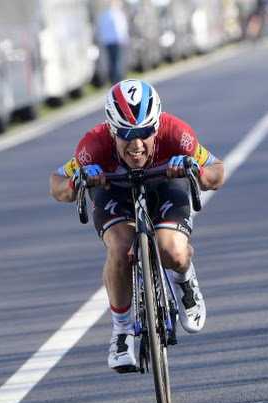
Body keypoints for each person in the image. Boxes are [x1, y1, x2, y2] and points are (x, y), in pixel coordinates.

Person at [49, 79, 225, 372]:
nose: (137, 144)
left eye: (145, 133)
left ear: (157, 125)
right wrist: (77, 180)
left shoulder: (177, 134)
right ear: (111, 129)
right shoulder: (93, 145)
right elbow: (56, 185)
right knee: (119, 248)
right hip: (113, 190)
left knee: (173, 252)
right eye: (126, 134)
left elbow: (217, 172)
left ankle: (185, 281)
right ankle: (121, 332)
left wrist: (195, 171)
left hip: (165, 185)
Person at [96, 0, 130, 85]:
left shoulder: (105, 15)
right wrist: (125, 38)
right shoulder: (117, 14)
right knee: (117, 61)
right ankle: (117, 79)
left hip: (109, 41)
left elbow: (101, 28)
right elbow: (121, 28)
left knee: (112, 61)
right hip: (116, 40)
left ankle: (114, 79)